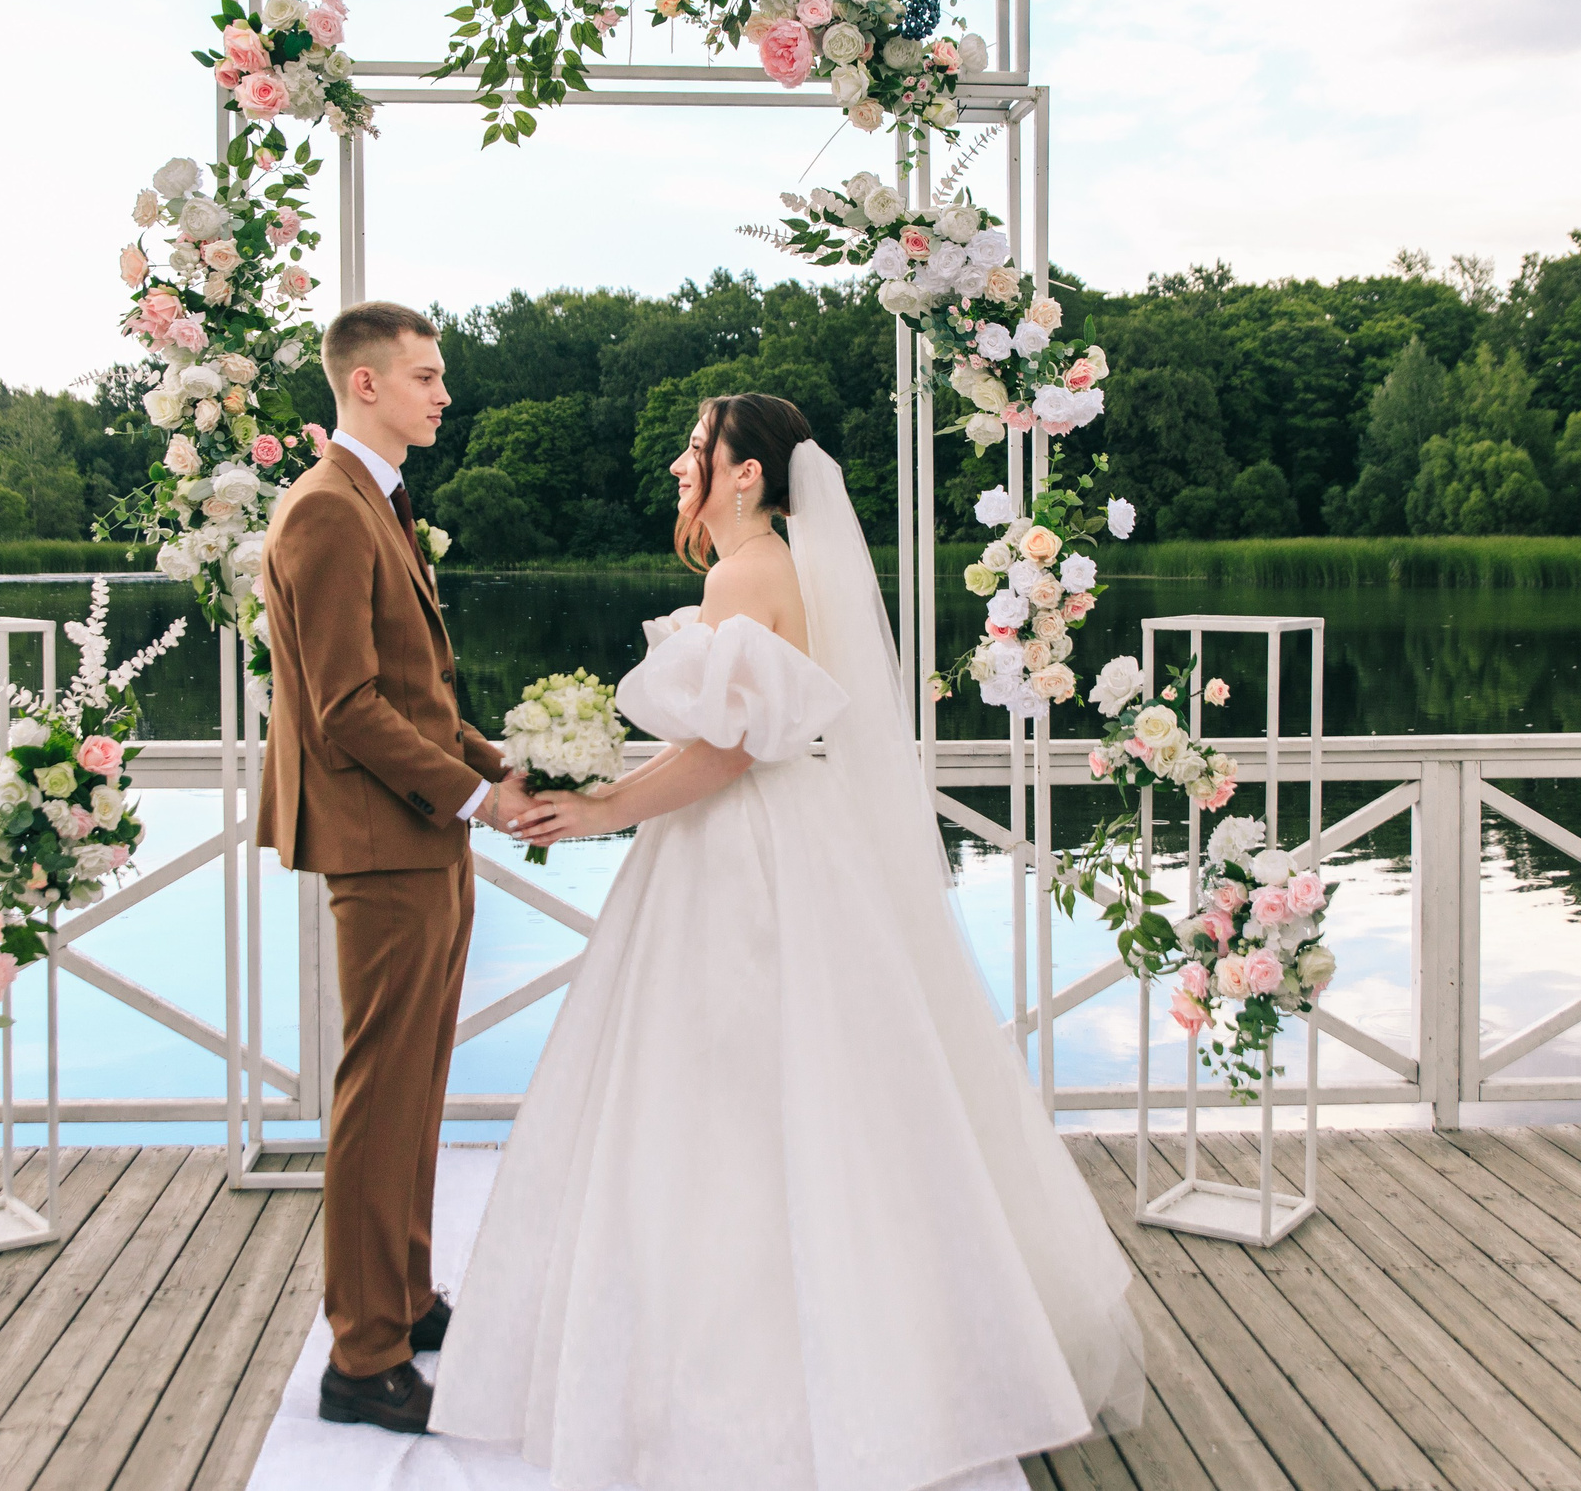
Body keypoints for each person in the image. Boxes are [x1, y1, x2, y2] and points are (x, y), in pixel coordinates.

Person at [432, 394, 1144, 1490]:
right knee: (801, 1095)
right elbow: (731, 740)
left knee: (720, 1096)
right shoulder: (765, 567)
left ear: (748, 474)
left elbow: (726, 754)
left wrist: (597, 807)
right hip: (775, 843)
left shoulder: (746, 570)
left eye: (697, 450)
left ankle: (736, 1385)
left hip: (742, 858)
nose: (680, 464)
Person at [256, 299, 533, 1434]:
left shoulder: (375, 501)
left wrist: (500, 763)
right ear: (362, 383)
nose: (443, 393)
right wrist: (473, 794)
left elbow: (418, 692)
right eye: (425, 376)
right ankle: (362, 1357)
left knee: (414, 1084)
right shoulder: (327, 510)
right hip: (384, 843)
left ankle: (406, 1298)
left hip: (424, 834)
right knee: (378, 1096)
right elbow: (348, 707)